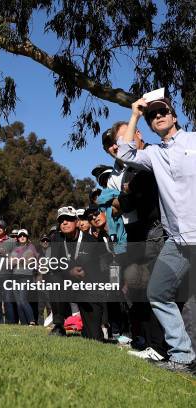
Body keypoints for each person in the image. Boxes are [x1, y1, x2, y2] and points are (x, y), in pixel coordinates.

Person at [116, 96, 195, 372]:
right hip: (178, 241)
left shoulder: (194, 141)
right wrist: (135, 114)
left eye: (164, 111)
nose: (158, 116)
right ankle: (183, 355)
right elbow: (124, 154)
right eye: (153, 115)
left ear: (174, 117)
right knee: (158, 292)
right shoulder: (154, 154)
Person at [51, 206, 105, 341]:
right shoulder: (56, 239)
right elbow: (54, 264)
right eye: (61, 220)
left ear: (76, 221)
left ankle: (99, 327)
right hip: (66, 282)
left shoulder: (90, 241)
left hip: (86, 285)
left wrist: (85, 273)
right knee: (53, 279)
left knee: (93, 337)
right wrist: (69, 272)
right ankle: (58, 325)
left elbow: (98, 271)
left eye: (68, 219)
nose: (64, 223)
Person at [9, 229, 39, 325]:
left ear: (27, 237)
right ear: (18, 238)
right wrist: (20, 260)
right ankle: (23, 323)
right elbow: (9, 263)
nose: (22, 237)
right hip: (15, 276)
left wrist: (17, 260)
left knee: (23, 300)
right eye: (20, 236)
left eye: (24, 236)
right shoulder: (14, 249)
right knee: (18, 302)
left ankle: (32, 320)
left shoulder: (31, 247)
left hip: (26, 276)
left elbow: (32, 260)